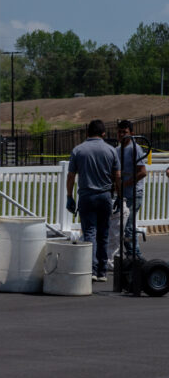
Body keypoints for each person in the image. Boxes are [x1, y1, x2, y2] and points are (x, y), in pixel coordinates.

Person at [66, 120, 121, 282]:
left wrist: (69, 196)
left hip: (87, 195)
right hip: (105, 196)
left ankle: (91, 269)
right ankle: (102, 271)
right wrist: (119, 195)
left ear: (87, 133)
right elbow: (117, 175)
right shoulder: (111, 150)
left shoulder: (78, 150)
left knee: (89, 232)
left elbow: (71, 176)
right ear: (103, 133)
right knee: (103, 233)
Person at [116, 120, 146, 259]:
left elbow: (142, 172)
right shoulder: (117, 150)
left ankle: (136, 256)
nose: (122, 135)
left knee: (128, 227)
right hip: (122, 194)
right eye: (120, 132)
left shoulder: (135, 148)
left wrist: (125, 183)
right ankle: (130, 256)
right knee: (122, 227)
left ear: (132, 134)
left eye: (125, 132)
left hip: (134, 194)